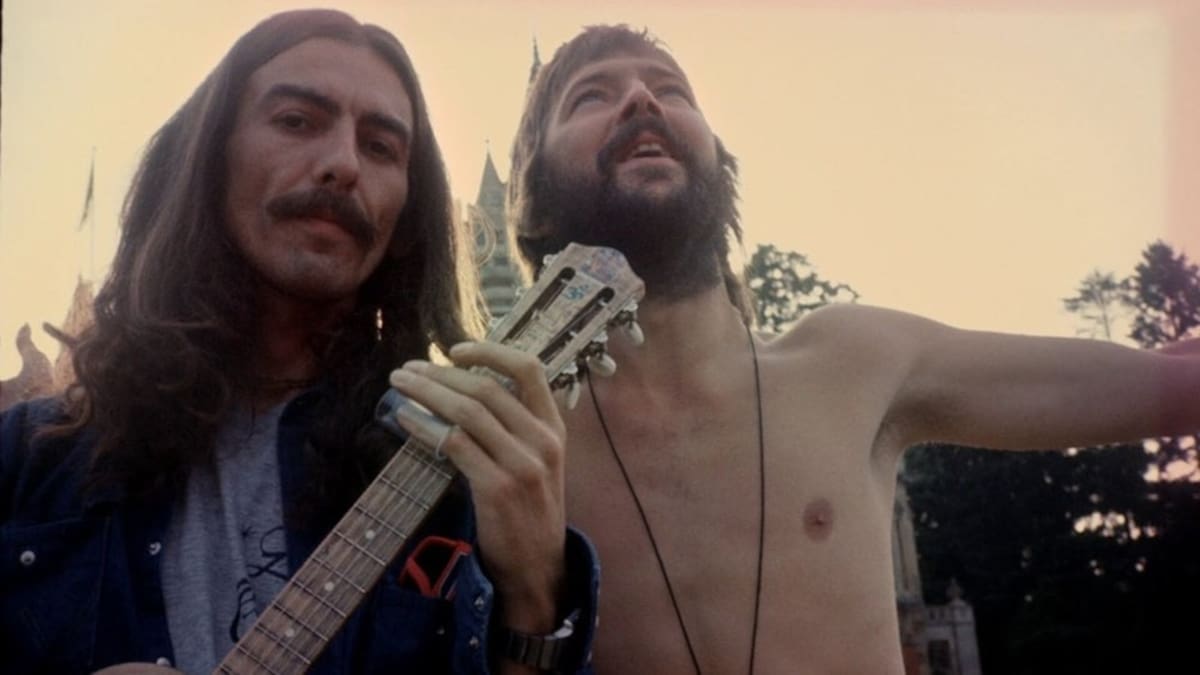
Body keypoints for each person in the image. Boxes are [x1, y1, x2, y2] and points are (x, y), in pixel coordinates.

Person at [468, 24, 1197, 674]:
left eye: (672, 89)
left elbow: (1170, 381)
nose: (641, 99)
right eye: (592, 95)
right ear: (529, 197)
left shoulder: (852, 363)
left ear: (720, 161)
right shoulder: (504, 441)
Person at [0, 10, 597, 675]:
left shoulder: (453, 480)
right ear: (208, 157)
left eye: (380, 147)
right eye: (296, 121)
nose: (343, 163)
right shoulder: (24, 461)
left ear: (406, 215)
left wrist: (533, 596)